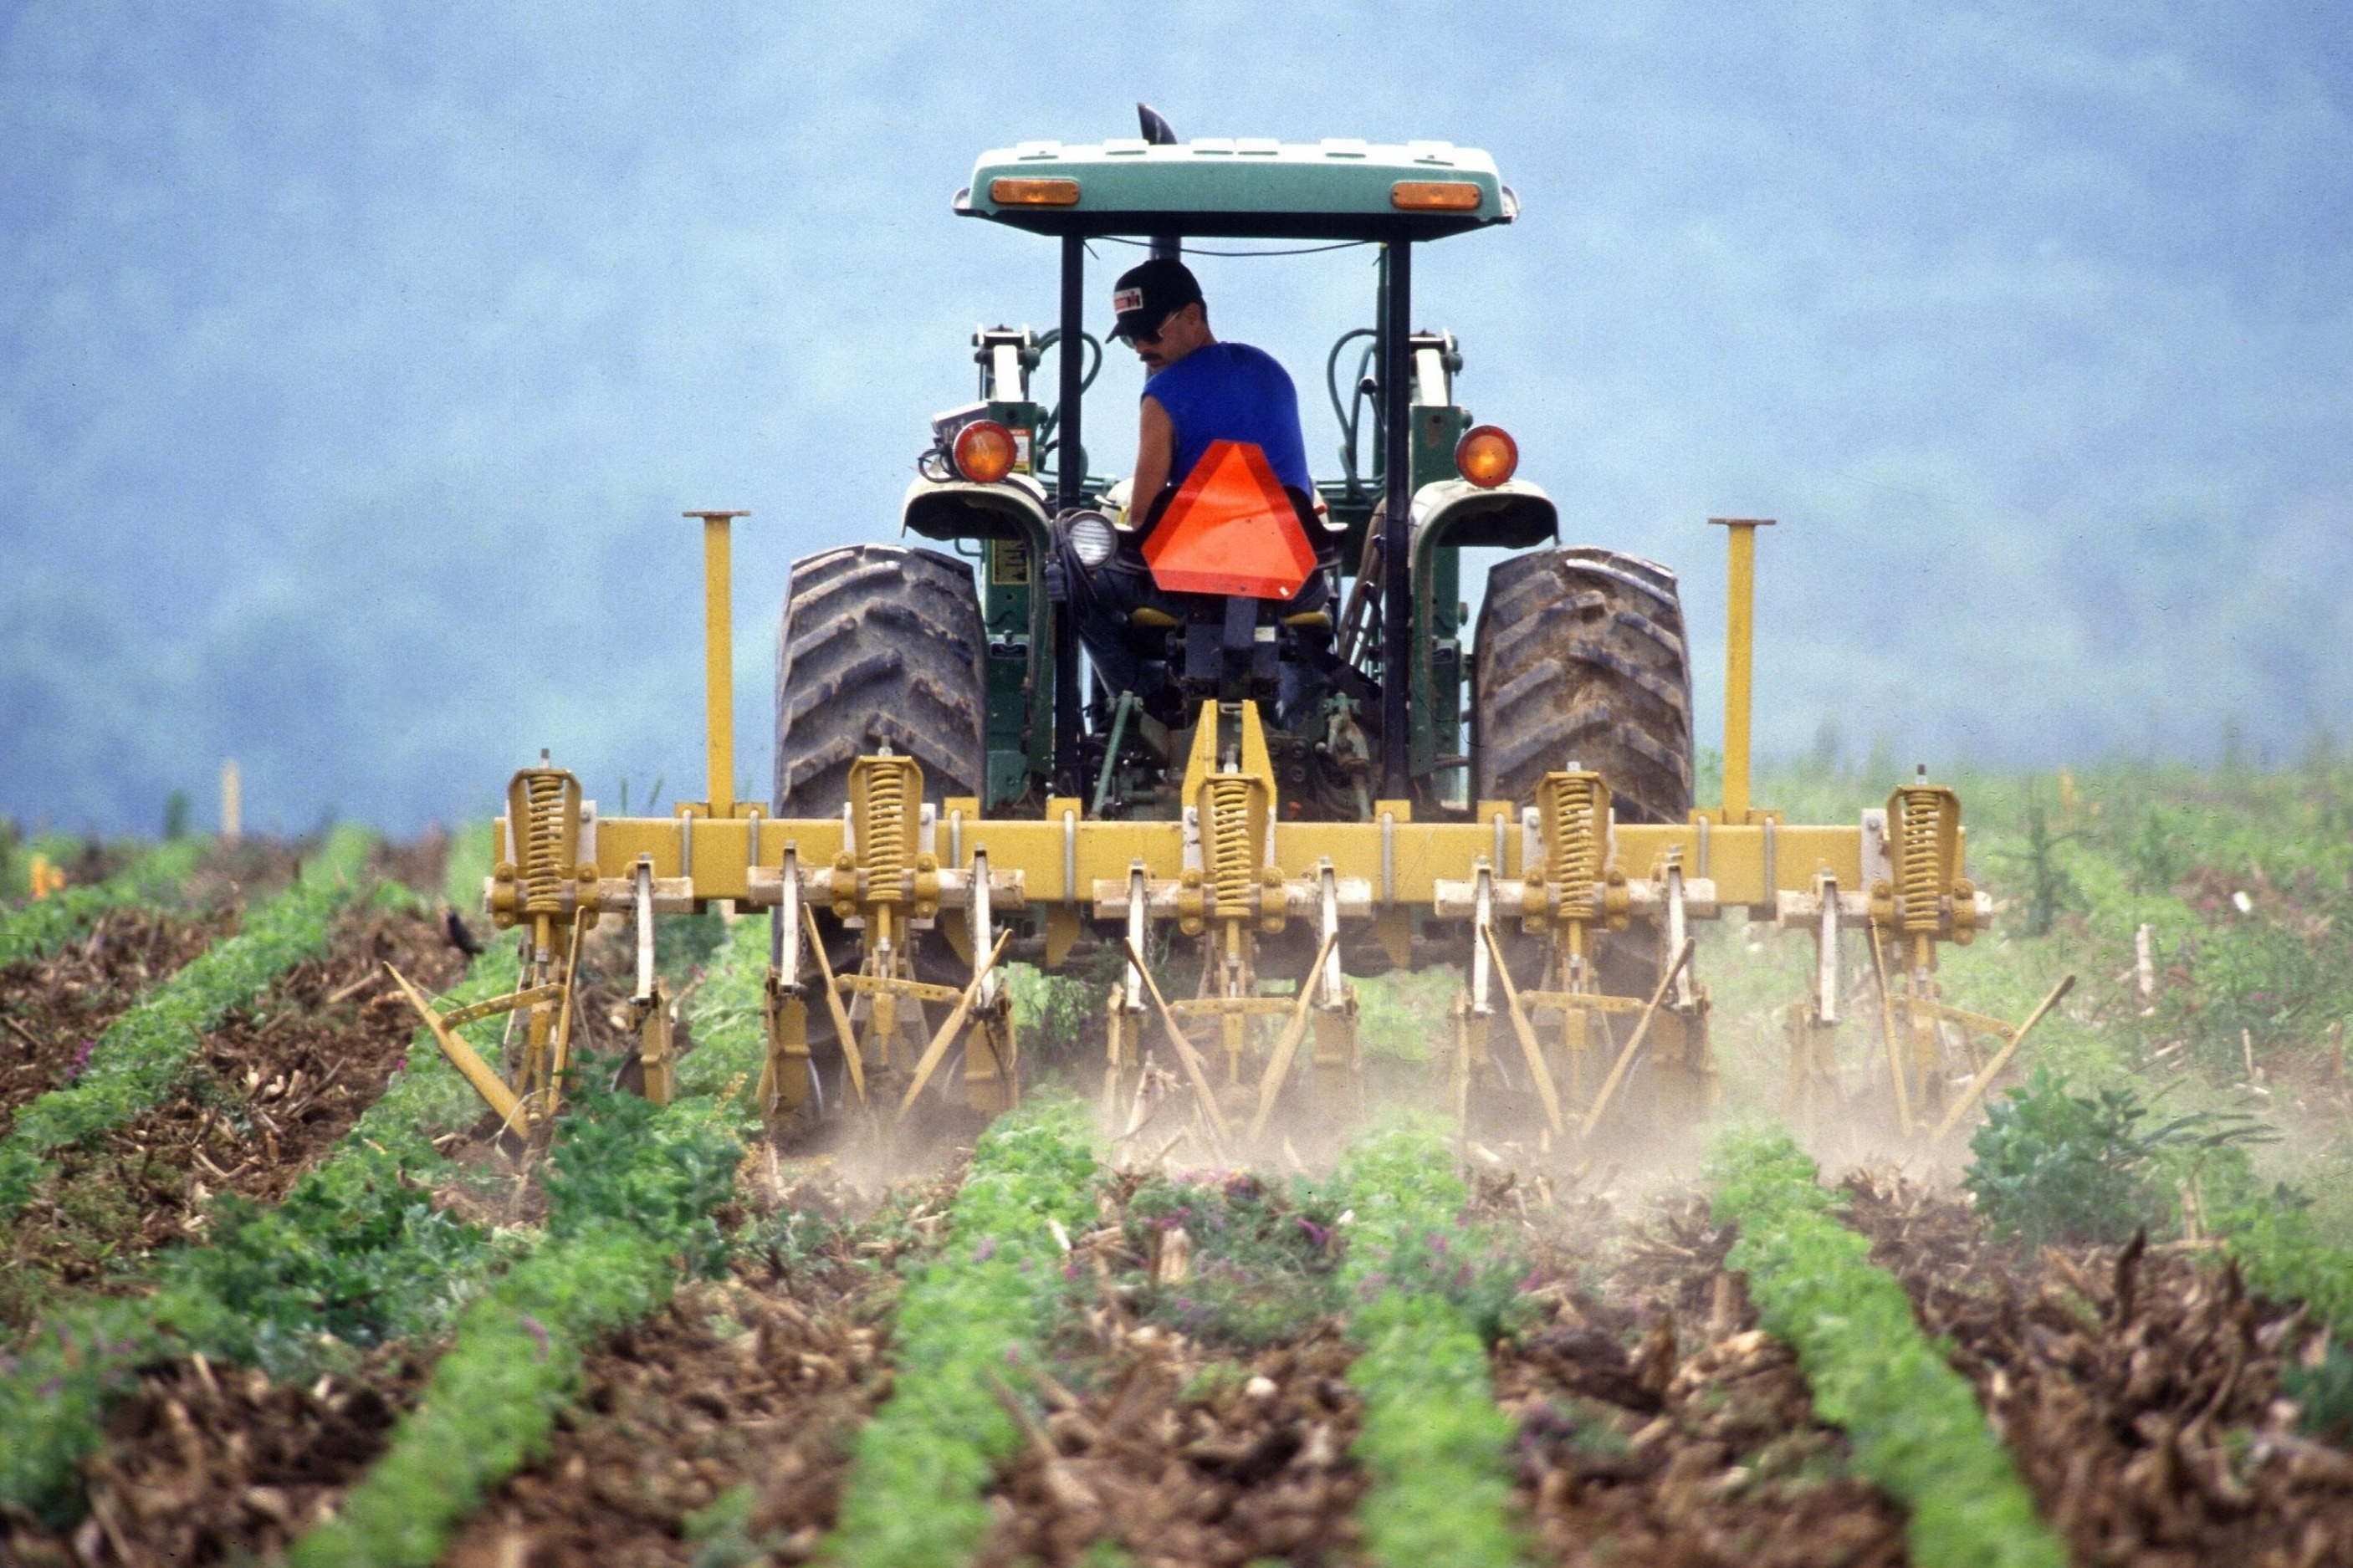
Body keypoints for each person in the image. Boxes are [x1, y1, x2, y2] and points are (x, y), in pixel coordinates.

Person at [1061, 258, 1328, 717]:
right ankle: (1301, 718)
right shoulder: (1272, 372)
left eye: (1151, 333)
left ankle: (1148, 699)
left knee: (1071, 576)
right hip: (1293, 583)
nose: (1143, 347)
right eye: (1130, 338)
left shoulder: (1162, 395)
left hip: (1195, 593)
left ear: (1193, 316)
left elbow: (1142, 520)